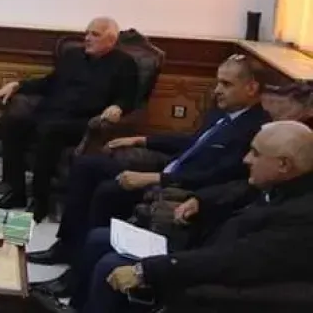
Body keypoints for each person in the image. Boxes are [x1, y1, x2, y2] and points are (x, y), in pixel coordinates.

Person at [33, 120, 313, 313]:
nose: (246, 160)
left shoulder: (300, 216)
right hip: (200, 248)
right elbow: (236, 189)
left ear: (283, 164)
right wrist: (200, 200)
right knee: (99, 238)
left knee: (111, 263)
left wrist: (147, 270)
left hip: (213, 281)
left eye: (255, 154)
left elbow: (233, 260)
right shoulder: (278, 183)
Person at [29, 54, 270, 276]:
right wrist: (142, 139)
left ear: (251, 88)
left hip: (180, 188)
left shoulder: (255, 130)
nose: (217, 91)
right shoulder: (221, 113)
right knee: (86, 166)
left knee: (108, 191)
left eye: (226, 84)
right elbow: (192, 142)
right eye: (218, 83)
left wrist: (154, 178)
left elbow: (217, 176)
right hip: (167, 172)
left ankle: (80, 270)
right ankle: (66, 246)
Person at [0, 17, 138, 220]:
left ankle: (41, 199)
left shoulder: (125, 64)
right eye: (87, 33)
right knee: (13, 123)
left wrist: (118, 107)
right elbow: (49, 82)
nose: (87, 38)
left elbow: (129, 98)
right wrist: (18, 85)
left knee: (50, 132)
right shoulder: (73, 55)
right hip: (50, 112)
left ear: (111, 40)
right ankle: (16, 192)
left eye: (95, 34)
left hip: (83, 122)